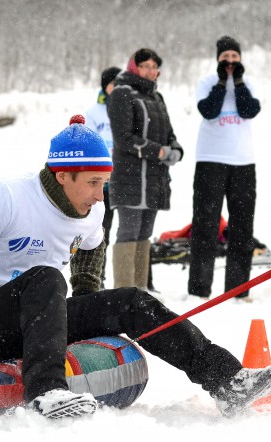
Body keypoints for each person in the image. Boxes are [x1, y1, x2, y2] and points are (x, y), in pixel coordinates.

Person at [0, 115, 271, 419]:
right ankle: (47, 392)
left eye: (104, 183)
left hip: (43, 316)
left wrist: (89, 299)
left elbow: (91, 248)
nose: (99, 194)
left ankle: (227, 381)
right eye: (91, 183)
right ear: (62, 176)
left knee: (132, 300)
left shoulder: (94, 209)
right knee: (47, 277)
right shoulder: (7, 196)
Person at [187, 36, 261, 298]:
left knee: (242, 226)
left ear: (240, 59)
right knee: (205, 224)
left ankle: (238, 289)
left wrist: (237, 82)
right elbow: (209, 110)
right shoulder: (206, 82)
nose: (230, 62)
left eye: (234, 57)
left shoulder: (249, 83)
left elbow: (248, 110)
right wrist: (221, 82)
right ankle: (199, 289)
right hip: (210, 159)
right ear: (217, 59)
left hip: (243, 162)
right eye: (225, 58)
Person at [107, 48, 183, 290]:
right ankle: (122, 294)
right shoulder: (122, 93)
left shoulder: (157, 98)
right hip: (130, 179)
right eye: (145, 66)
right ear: (134, 67)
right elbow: (123, 137)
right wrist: (157, 151)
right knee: (128, 232)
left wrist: (175, 149)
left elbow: (169, 134)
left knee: (144, 235)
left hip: (154, 179)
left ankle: (139, 294)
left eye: (154, 67)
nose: (151, 71)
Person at [84, 66, 122, 289]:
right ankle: (97, 276)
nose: (117, 88)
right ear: (105, 86)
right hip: (101, 180)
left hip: (122, 178)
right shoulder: (95, 112)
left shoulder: (127, 108)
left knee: (119, 230)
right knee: (99, 229)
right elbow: (87, 142)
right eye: (113, 84)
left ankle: (114, 276)